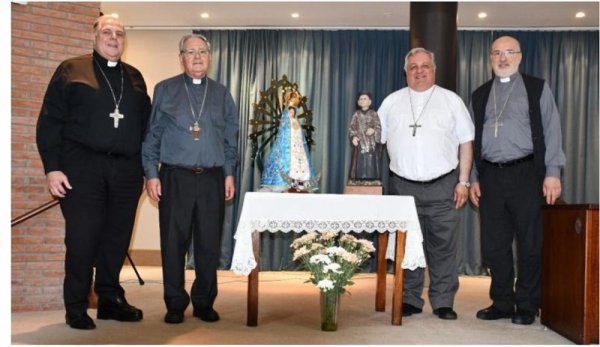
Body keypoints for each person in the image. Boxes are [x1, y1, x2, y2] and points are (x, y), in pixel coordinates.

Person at [36, 15, 150, 330]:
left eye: (120, 33)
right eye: (107, 32)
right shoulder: (71, 69)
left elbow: (146, 128)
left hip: (127, 168)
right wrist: (52, 168)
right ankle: (75, 306)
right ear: (94, 36)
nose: (114, 38)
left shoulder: (135, 77)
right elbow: (50, 121)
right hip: (81, 166)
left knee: (116, 238)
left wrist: (145, 169)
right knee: (82, 239)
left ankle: (110, 298)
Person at [142, 33, 239, 324]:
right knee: (174, 243)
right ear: (181, 57)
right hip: (174, 177)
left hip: (211, 178)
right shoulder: (165, 89)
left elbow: (229, 140)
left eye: (202, 52)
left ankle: (204, 301)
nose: (197, 57)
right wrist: (151, 173)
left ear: (210, 56)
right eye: (190, 52)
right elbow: (152, 135)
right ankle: (174, 303)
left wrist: (229, 173)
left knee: (209, 243)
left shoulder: (221, 93)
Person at [468, 36, 565, 325]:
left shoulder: (537, 88)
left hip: (527, 174)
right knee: (494, 244)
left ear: (520, 57)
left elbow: (552, 130)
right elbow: (472, 140)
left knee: (530, 243)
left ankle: (527, 304)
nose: (503, 58)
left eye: (509, 52)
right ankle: (501, 302)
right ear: (490, 58)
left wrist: (553, 172)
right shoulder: (480, 94)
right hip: (491, 176)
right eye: (497, 53)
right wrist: (473, 176)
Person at [378, 47, 474, 320]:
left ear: (434, 69)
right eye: (413, 67)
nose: (419, 71)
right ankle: (410, 298)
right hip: (402, 186)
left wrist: (464, 182)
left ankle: (443, 301)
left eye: (424, 66)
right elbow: (374, 141)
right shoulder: (391, 102)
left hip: (444, 185)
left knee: (443, 246)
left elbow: (466, 141)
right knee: (407, 245)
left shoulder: (451, 100)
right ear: (405, 72)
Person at [260, 88, 318, 192]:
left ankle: (296, 182)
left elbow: (290, 120)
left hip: (294, 137)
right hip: (290, 137)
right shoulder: (291, 110)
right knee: (287, 157)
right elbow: (291, 120)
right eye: (297, 98)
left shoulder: (289, 111)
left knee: (295, 157)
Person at [348, 91, 383, 184]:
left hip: (371, 144)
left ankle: (371, 179)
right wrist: (354, 137)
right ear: (358, 102)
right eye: (360, 99)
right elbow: (352, 128)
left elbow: (378, 126)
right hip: (360, 144)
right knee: (359, 162)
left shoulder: (374, 114)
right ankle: (359, 179)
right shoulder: (356, 114)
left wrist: (374, 130)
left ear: (370, 102)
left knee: (371, 162)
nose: (362, 101)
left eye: (365, 99)